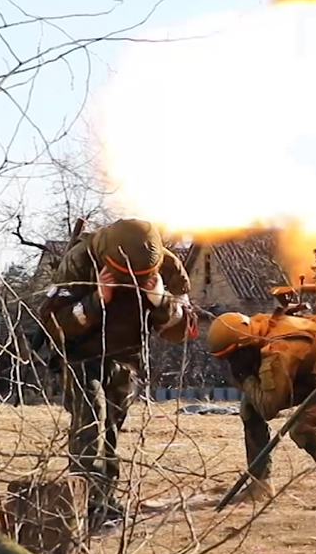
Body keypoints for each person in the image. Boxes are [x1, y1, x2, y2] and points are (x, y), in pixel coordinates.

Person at [38, 218, 198, 529]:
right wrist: (98, 298)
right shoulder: (80, 260)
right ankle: (84, 503)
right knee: (90, 419)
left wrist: (161, 302)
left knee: (110, 426)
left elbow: (182, 331)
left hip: (126, 358)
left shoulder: (168, 267)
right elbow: (53, 323)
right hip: (78, 355)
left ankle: (103, 500)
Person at [206, 308, 316, 499]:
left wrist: (248, 378)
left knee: (301, 429)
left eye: (232, 357)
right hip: (311, 377)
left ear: (242, 347)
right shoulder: (259, 327)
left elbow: (268, 408)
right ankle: (260, 485)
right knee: (249, 406)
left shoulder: (277, 352)